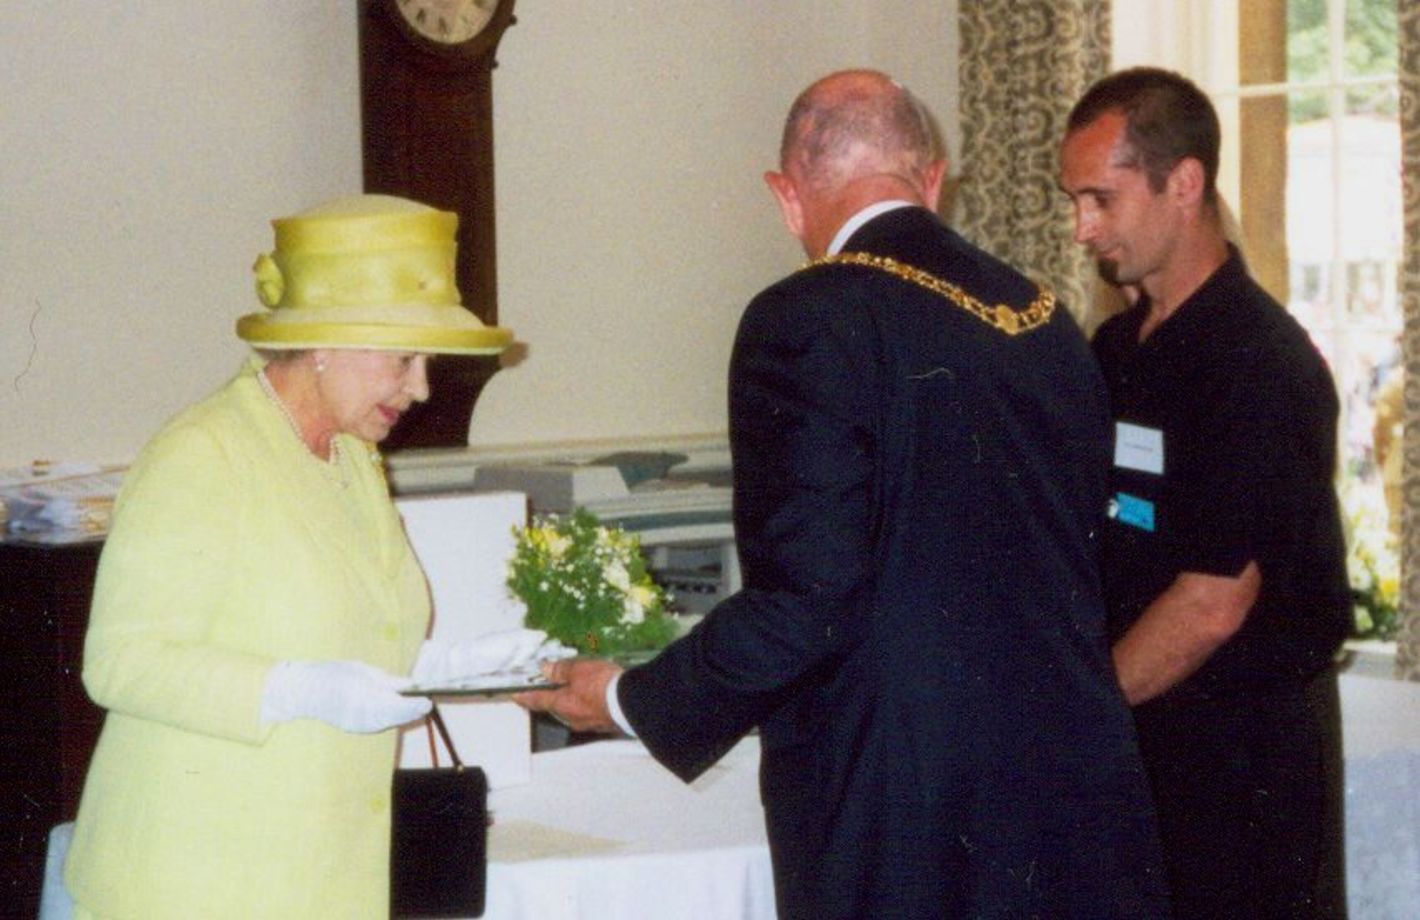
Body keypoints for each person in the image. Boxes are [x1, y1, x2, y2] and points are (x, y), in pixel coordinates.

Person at [521, 69, 1169, 919]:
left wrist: (623, 699)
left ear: (786, 196)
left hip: (909, 813)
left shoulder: (805, 316)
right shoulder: (1045, 319)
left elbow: (807, 602)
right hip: (1077, 789)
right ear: (932, 178)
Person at [63, 194, 512, 918]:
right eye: (405, 358)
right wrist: (293, 689)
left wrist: (453, 667)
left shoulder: (353, 457)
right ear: (324, 342)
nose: (422, 387)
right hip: (194, 886)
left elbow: (346, 631)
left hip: (322, 877)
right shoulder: (203, 454)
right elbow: (123, 663)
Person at [1058, 67, 1352, 918]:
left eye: (1101, 199)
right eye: (1074, 201)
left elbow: (1213, 602)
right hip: (1142, 742)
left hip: (1239, 768)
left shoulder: (1259, 364)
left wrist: (1079, 719)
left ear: (1183, 184)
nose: (1082, 228)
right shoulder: (1117, 350)